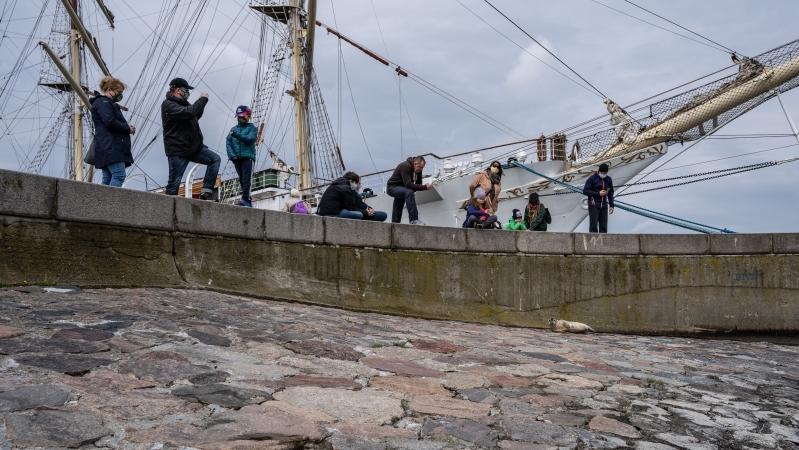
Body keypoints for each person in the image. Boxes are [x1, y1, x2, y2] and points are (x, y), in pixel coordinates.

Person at [161, 77, 220, 200]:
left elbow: (194, 114)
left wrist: (200, 105)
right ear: (178, 90)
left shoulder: (184, 104)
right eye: (186, 89)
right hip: (178, 150)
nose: (188, 92)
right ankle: (166, 210)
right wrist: (202, 100)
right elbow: (189, 113)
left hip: (194, 148)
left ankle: (206, 192)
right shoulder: (168, 105)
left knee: (214, 159)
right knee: (174, 183)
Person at [90, 76, 135, 187]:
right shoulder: (104, 102)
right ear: (109, 90)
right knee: (119, 175)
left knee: (108, 177)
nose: (120, 95)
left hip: (106, 145)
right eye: (119, 92)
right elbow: (110, 122)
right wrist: (127, 129)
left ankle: (102, 202)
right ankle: (109, 203)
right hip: (112, 146)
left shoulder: (103, 103)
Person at [226, 105, 258, 207]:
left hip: (248, 156)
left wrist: (236, 135)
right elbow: (228, 142)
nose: (240, 119)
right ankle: (246, 199)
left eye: (242, 116)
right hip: (237, 158)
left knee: (246, 179)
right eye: (239, 117)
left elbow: (250, 139)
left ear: (248, 116)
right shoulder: (234, 128)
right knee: (241, 179)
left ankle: (246, 199)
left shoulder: (252, 128)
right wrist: (232, 155)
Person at [386, 156, 431, 225]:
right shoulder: (406, 166)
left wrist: (422, 187)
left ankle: (395, 223)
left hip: (401, 188)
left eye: (422, 168)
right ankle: (414, 219)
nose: (421, 169)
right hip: (392, 187)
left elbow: (418, 184)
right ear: (415, 164)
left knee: (399, 202)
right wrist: (425, 187)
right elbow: (408, 185)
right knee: (409, 192)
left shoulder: (418, 170)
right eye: (420, 167)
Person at [582, 163, 614, 233]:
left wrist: (611, 205)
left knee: (604, 228)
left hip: (604, 205)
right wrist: (598, 193)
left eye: (605, 173)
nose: (603, 174)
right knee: (593, 227)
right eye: (602, 173)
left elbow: (611, 193)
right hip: (594, 205)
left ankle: (603, 243)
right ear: (599, 171)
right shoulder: (592, 178)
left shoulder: (608, 179)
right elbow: (585, 191)